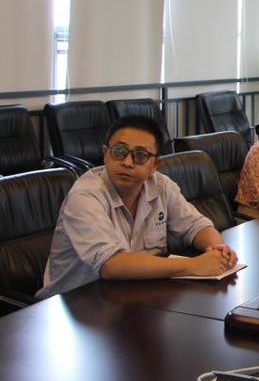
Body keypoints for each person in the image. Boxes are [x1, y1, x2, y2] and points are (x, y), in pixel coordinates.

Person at [37, 115, 238, 299]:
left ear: (155, 165)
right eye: (119, 152)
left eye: (140, 155)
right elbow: (111, 265)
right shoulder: (85, 196)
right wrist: (193, 265)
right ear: (105, 154)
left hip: (133, 294)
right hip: (75, 305)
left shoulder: (160, 185)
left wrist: (216, 249)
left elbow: (195, 225)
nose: (127, 162)